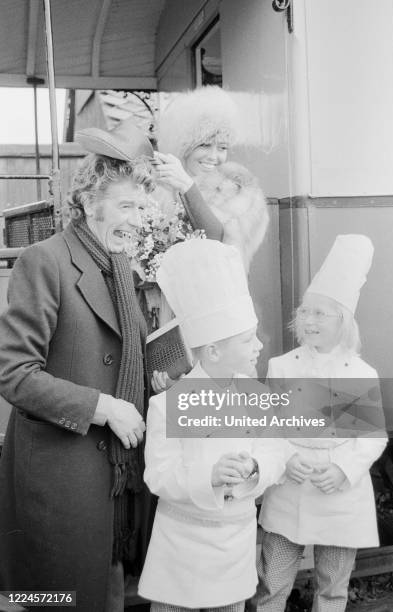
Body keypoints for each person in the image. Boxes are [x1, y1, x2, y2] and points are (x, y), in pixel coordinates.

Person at [0, 119, 223, 612]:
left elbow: (215, 244)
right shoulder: (45, 260)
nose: (138, 219)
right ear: (87, 203)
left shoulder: (124, 264)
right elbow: (14, 373)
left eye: (143, 207)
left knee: (104, 592)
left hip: (114, 480)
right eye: (127, 206)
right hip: (63, 481)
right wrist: (103, 406)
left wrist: (157, 377)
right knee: (54, 600)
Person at [138, 239, 286, 611]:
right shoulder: (167, 404)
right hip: (180, 554)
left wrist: (256, 468)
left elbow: (276, 452)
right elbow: (159, 476)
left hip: (233, 555)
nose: (258, 346)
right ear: (214, 351)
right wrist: (212, 476)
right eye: (247, 339)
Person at [251, 234, 387, 612]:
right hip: (290, 489)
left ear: (342, 321)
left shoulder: (361, 373)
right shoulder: (281, 366)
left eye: (320, 314)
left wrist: (343, 469)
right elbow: (268, 426)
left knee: (332, 589)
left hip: (339, 494)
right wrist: (287, 459)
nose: (309, 321)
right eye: (305, 312)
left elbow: (372, 438)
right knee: (273, 584)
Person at [155, 86, 269, 271]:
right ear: (184, 146)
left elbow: (220, 246)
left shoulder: (239, 190)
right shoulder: (159, 190)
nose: (213, 156)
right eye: (205, 145)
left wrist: (188, 187)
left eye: (222, 147)